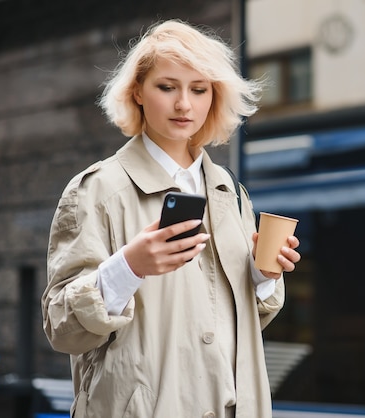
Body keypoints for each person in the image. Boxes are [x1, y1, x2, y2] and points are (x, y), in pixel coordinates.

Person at [41, 19, 301, 418]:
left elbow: (241, 322)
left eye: (199, 90)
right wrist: (129, 267)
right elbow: (62, 327)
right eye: (167, 87)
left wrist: (266, 275)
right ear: (138, 92)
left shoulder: (230, 192)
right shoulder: (96, 190)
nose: (184, 105)